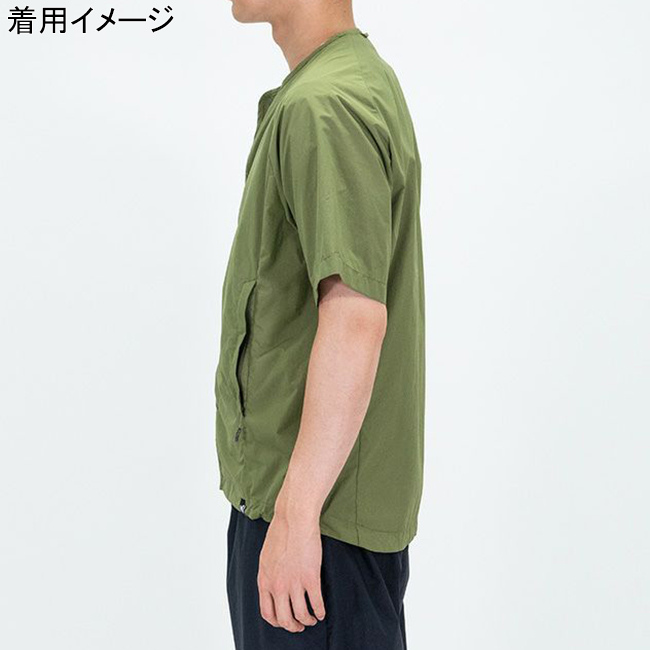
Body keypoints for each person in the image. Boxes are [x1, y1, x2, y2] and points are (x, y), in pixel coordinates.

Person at [215, 1, 425, 647]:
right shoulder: (343, 81)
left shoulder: (324, 105)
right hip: (314, 517)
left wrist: (295, 516)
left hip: (315, 527)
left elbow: (355, 315)